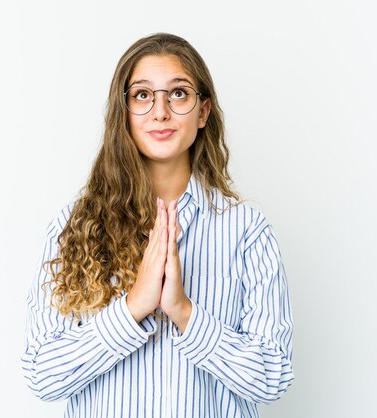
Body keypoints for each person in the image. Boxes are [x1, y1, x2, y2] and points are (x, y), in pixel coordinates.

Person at [21, 32, 294, 418]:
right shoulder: (72, 227)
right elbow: (42, 375)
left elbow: (272, 378)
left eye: (178, 93)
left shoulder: (246, 231)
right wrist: (133, 308)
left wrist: (184, 312)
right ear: (124, 112)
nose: (161, 112)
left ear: (203, 112)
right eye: (143, 95)